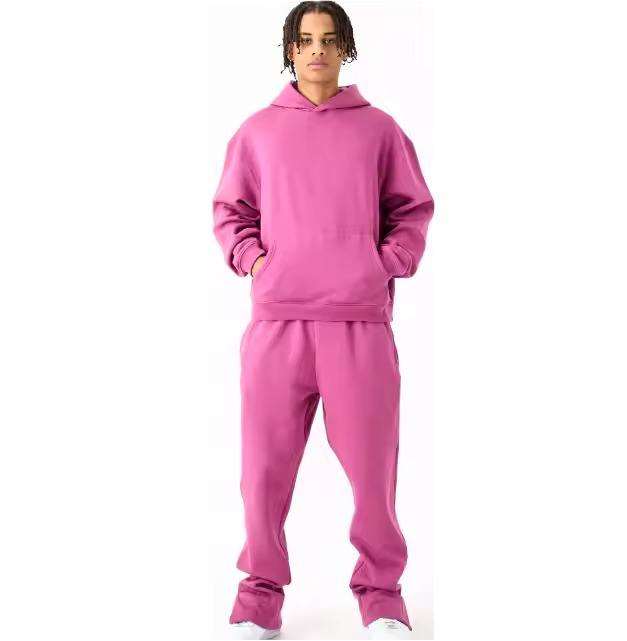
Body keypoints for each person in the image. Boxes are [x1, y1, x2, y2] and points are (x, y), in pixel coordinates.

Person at [212, 2, 434, 638]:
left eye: (330, 40)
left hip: (359, 324)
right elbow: (230, 211)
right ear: (290, 49)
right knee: (263, 473)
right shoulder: (257, 132)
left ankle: (382, 600)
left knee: (373, 474)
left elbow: (411, 209)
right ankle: (258, 602)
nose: (317, 51)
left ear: (345, 49)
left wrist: (383, 263)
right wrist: (255, 261)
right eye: (306, 40)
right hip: (277, 325)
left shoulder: (379, 131)